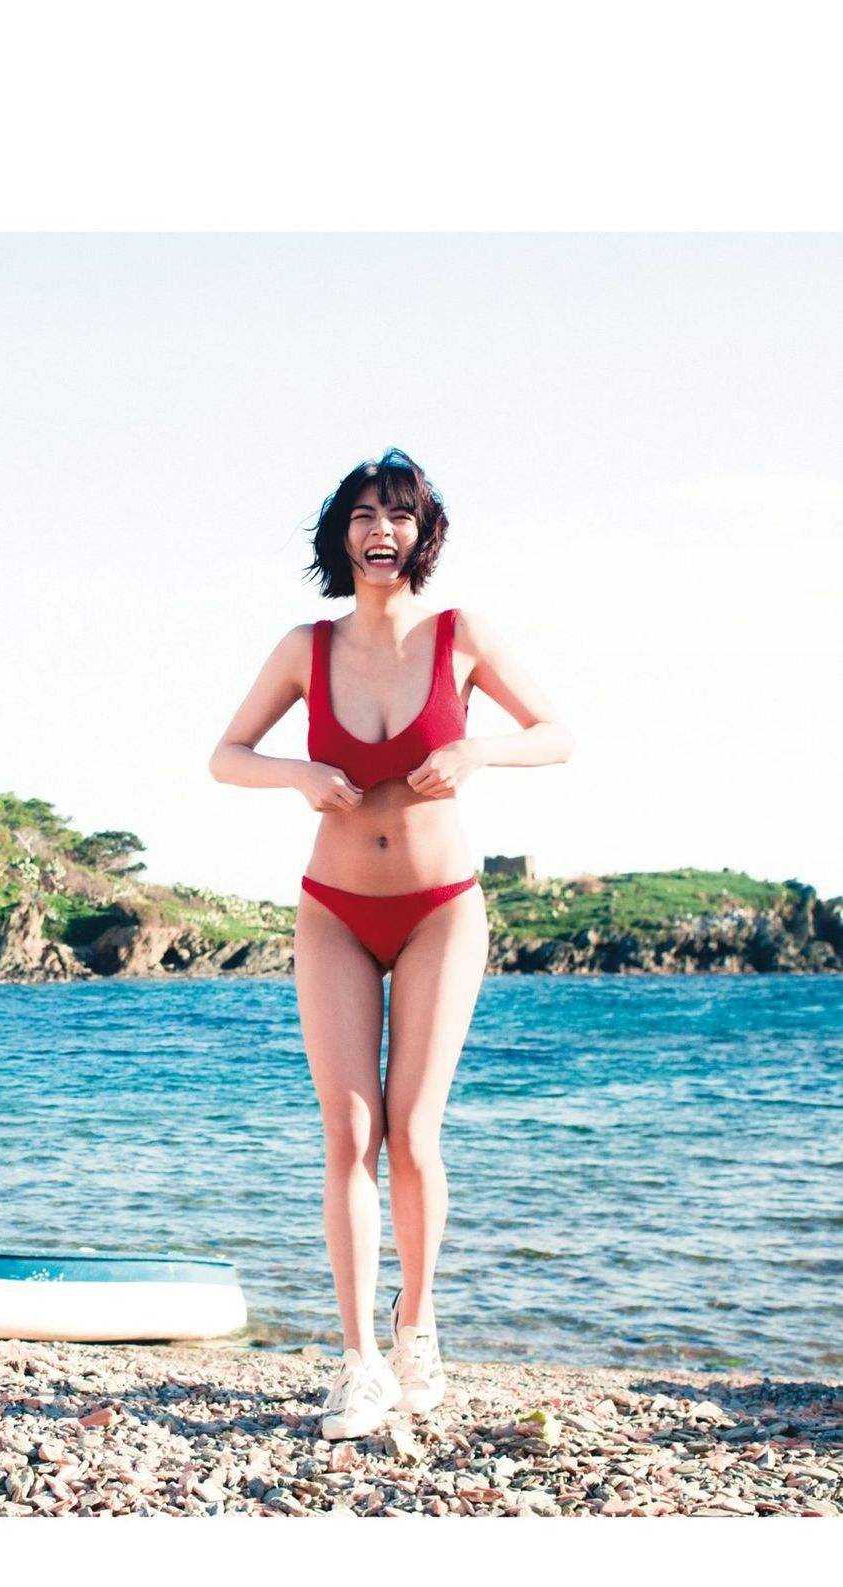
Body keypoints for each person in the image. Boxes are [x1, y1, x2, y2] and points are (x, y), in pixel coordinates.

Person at [208, 448, 574, 1439]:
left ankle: (418, 1330)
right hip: (334, 909)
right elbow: (225, 756)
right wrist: (295, 774)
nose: (382, 531)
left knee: (412, 1132)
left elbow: (556, 733)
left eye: (400, 515)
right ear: (343, 535)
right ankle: (358, 1364)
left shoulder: (461, 636)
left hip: (440, 910)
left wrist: (476, 750)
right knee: (348, 1134)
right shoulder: (306, 647)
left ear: (422, 534)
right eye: (365, 515)